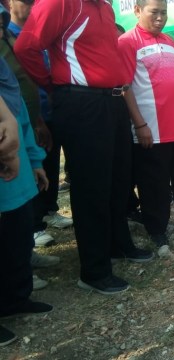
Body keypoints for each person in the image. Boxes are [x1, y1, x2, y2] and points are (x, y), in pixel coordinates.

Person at [14, 0, 153, 295]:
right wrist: (54, 86)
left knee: (118, 180)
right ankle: (94, 270)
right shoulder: (60, 3)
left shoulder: (104, 6)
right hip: (82, 102)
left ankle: (118, 245)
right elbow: (26, 46)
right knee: (92, 188)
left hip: (112, 100)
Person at [119, 0, 174, 247]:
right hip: (151, 130)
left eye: (164, 12)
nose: (160, 18)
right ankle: (157, 230)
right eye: (154, 12)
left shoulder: (169, 41)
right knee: (154, 184)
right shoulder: (127, 42)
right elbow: (125, 86)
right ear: (137, 11)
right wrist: (140, 125)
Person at [0, 58, 52, 347]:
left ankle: (15, 299)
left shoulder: (6, 80)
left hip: (18, 179)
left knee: (18, 242)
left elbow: (22, 123)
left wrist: (35, 162)